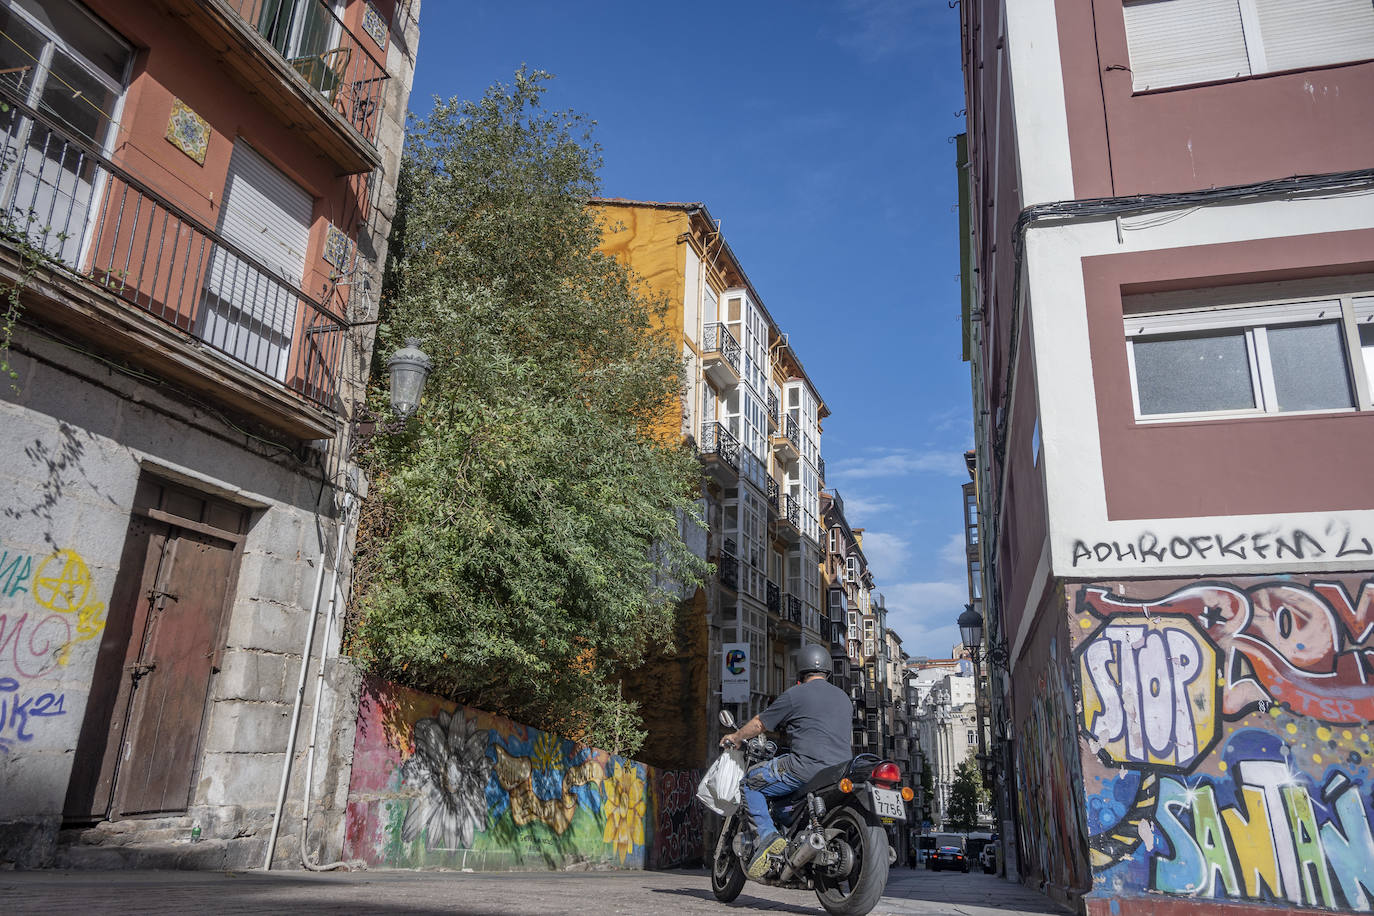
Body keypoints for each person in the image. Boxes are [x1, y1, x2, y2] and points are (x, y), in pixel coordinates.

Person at [720, 643, 853, 879]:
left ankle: (768, 837)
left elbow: (760, 724)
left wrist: (736, 736)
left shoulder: (796, 694)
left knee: (750, 783)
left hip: (804, 768)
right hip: (840, 771)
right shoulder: (844, 698)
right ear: (828, 671)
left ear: (801, 670)